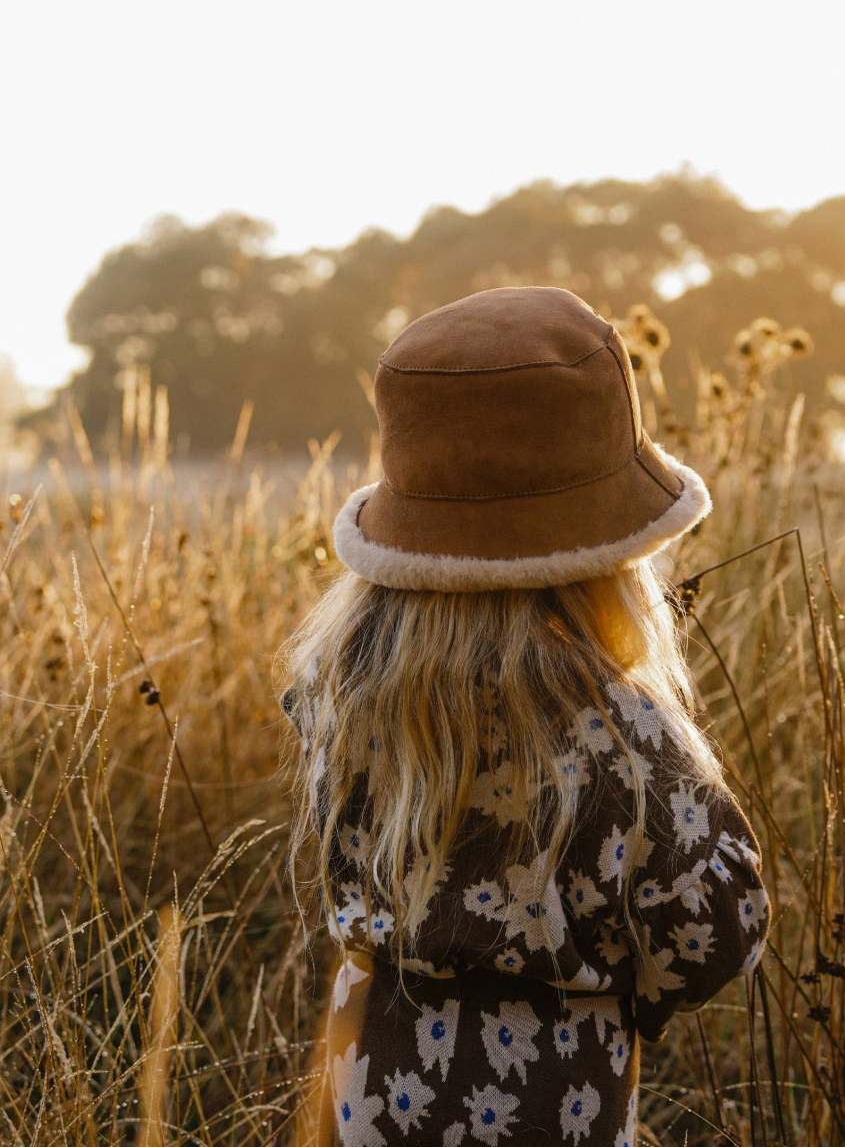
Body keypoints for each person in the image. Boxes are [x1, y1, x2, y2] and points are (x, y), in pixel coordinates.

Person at [280, 285, 769, 1146]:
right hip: (549, 1092)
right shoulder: (619, 729)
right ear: (608, 562)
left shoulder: (338, 695)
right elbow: (713, 931)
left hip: (371, 1080)